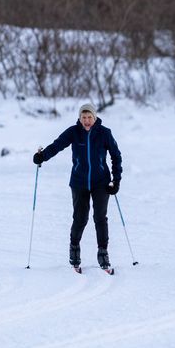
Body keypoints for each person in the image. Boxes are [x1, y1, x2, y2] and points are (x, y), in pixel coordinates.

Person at [33, 104, 122, 271]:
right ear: (80, 118)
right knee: (80, 218)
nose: (87, 121)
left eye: (89, 117)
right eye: (84, 117)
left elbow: (116, 156)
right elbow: (57, 145)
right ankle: (74, 250)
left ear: (95, 118)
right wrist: (42, 156)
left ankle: (103, 253)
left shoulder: (104, 133)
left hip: (101, 183)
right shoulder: (74, 131)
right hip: (79, 182)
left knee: (100, 218)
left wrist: (116, 181)